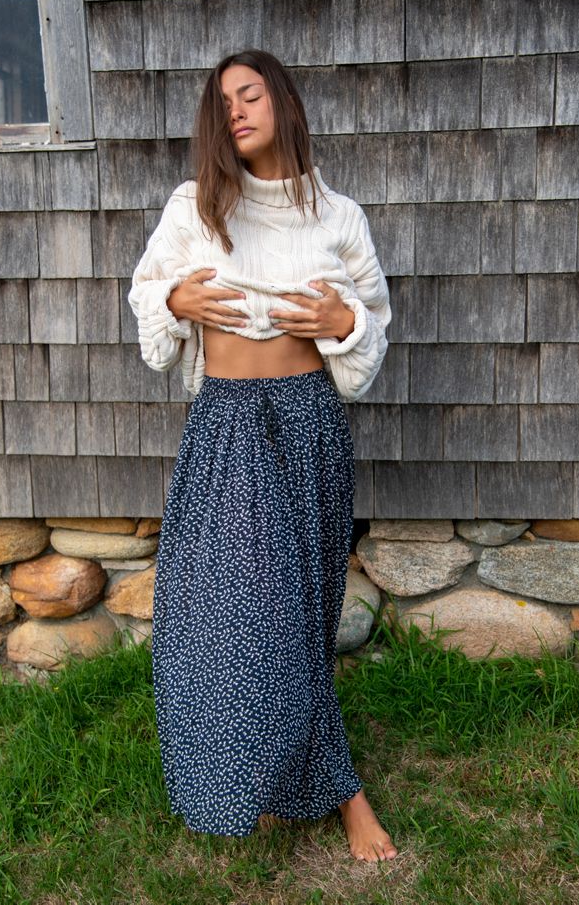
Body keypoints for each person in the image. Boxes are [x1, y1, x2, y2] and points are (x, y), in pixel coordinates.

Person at [127, 47, 398, 864]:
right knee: (229, 615)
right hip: (230, 425)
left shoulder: (337, 215)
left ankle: (313, 782)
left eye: (251, 94)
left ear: (281, 99)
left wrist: (344, 324)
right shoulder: (197, 208)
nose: (237, 110)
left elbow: (374, 323)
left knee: (302, 615)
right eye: (225, 103)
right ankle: (330, 789)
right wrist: (175, 298)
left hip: (309, 421)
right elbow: (148, 295)